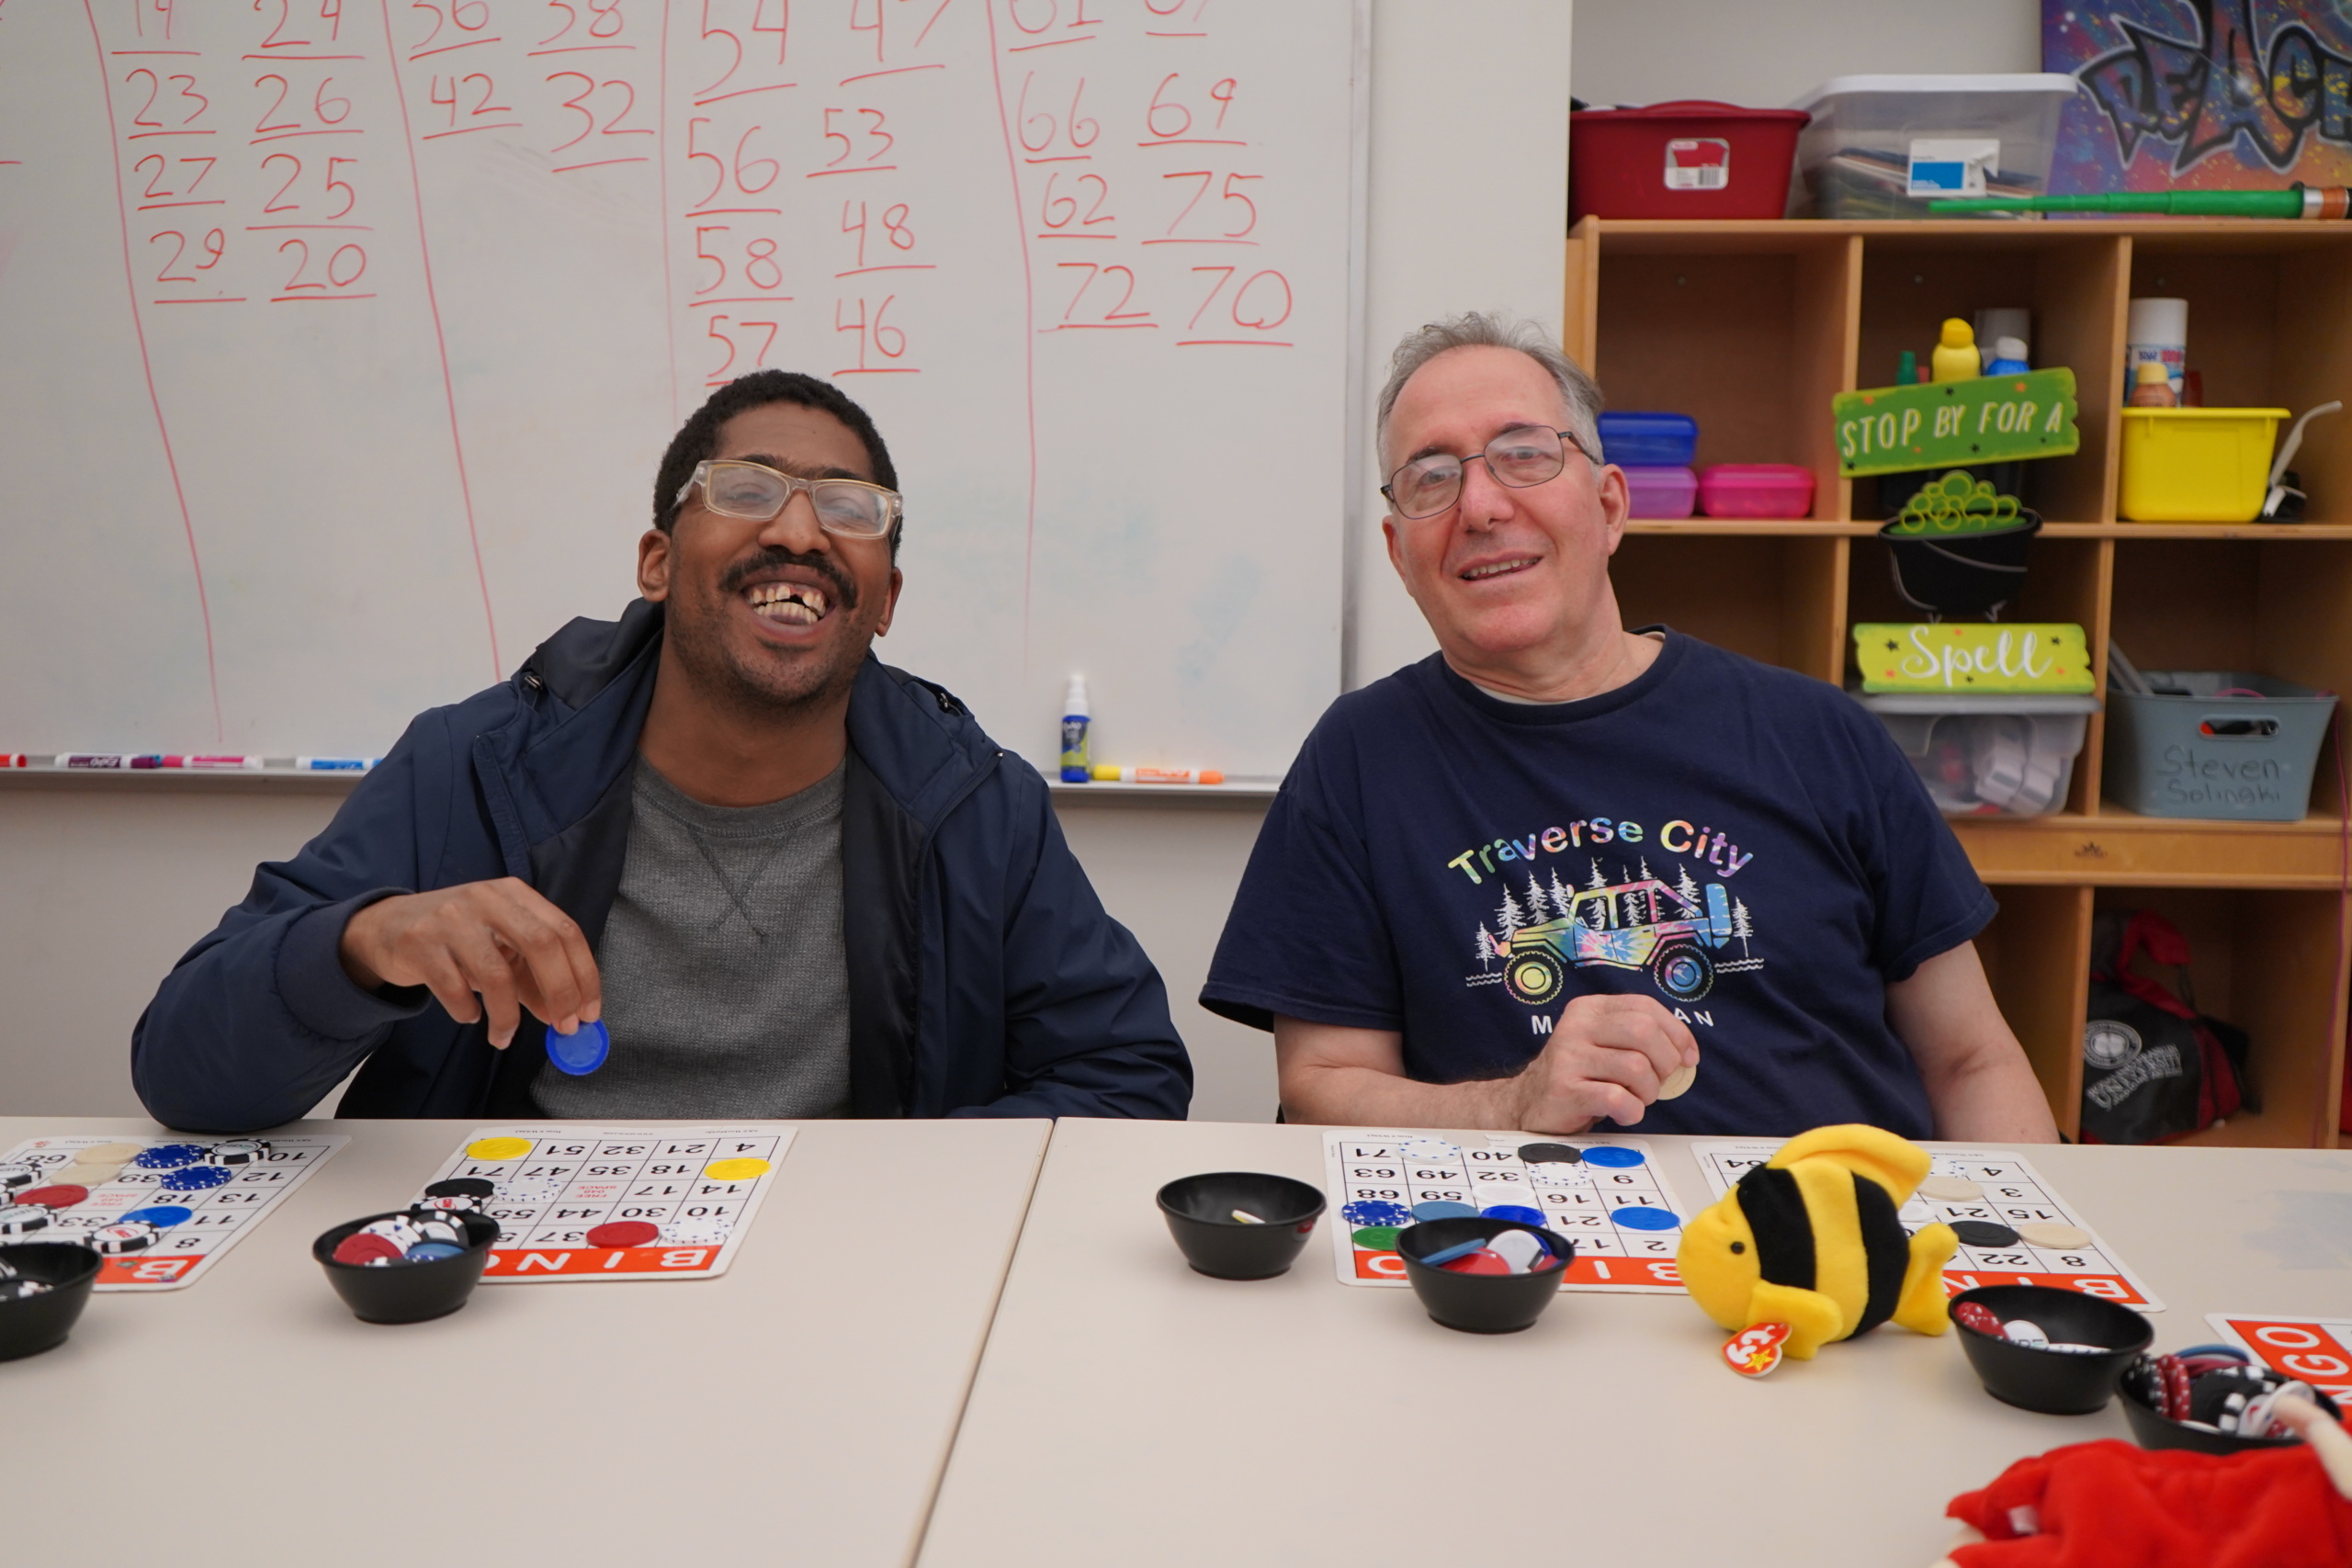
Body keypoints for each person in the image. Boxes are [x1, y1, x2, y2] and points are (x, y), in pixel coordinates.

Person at [135, 371, 1191, 1132]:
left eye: (846, 510)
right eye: (744, 490)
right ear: (655, 561)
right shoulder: (475, 765)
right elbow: (184, 1074)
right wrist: (364, 943)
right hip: (511, 1286)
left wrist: (900, 1191)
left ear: (885, 602)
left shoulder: (970, 801)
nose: (797, 533)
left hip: (843, 1288)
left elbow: (1126, 1075)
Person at [1200, 313, 2058, 1144]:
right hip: (1522, 1255)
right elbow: (1321, 1088)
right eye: (1432, 476)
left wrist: (2024, 1264)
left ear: (1611, 506)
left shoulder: (1819, 733)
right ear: (1399, 553)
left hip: (1840, 1242)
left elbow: (1971, 1061)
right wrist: (1511, 1104)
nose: (1483, 505)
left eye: (1524, 455)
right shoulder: (1358, 760)